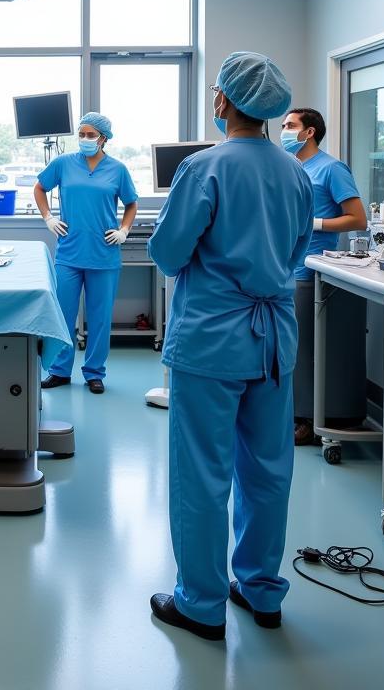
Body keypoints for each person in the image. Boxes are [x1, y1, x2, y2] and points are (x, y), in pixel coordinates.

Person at [147, 52, 314, 642]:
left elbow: (167, 253)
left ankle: (200, 603)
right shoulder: (297, 173)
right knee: (268, 470)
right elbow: (297, 255)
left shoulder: (204, 168)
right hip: (272, 343)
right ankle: (261, 590)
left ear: (222, 101)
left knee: (202, 473)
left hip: (212, 341)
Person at [33, 112, 138, 394]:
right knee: (62, 315)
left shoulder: (118, 170)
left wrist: (124, 230)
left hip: (103, 254)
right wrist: (48, 218)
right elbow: (40, 188)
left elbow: (131, 203)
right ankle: (59, 370)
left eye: (91, 135)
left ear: (104, 138)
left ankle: (94, 373)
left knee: (100, 318)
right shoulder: (64, 164)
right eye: (81, 134)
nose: (85, 139)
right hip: (69, 252)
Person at [280, 108, 368, 445]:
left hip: (311, 267)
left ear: (309, 132)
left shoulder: (331, 169)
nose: (283, 131)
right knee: (289, 345)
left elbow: (357, 218)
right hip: (286, 265)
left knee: (302, 348)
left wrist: (315, 223)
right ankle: (292, 412)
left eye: (290, 126)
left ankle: (305, 419)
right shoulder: (290, 167)